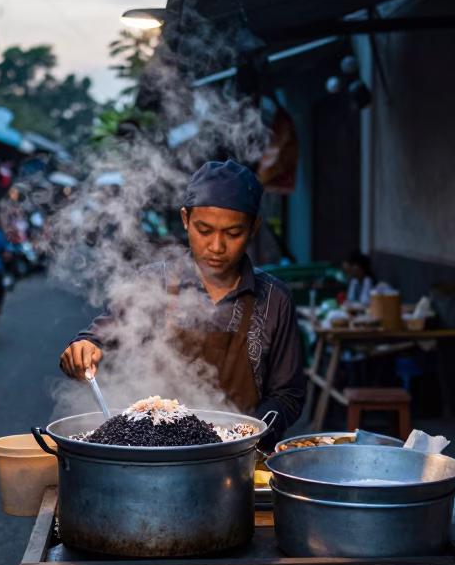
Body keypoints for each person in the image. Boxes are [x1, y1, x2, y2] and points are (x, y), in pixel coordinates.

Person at [60, 160, 306, 437]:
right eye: (204, 231)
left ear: (253, 228)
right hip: (151, 450)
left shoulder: (275, 299)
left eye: (233, 233)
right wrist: (83, 349)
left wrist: (249, 433)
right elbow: (96, 339)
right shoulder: (149, 284)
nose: (216, 246)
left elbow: (288, 395)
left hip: (240, 456)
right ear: (186, 219)